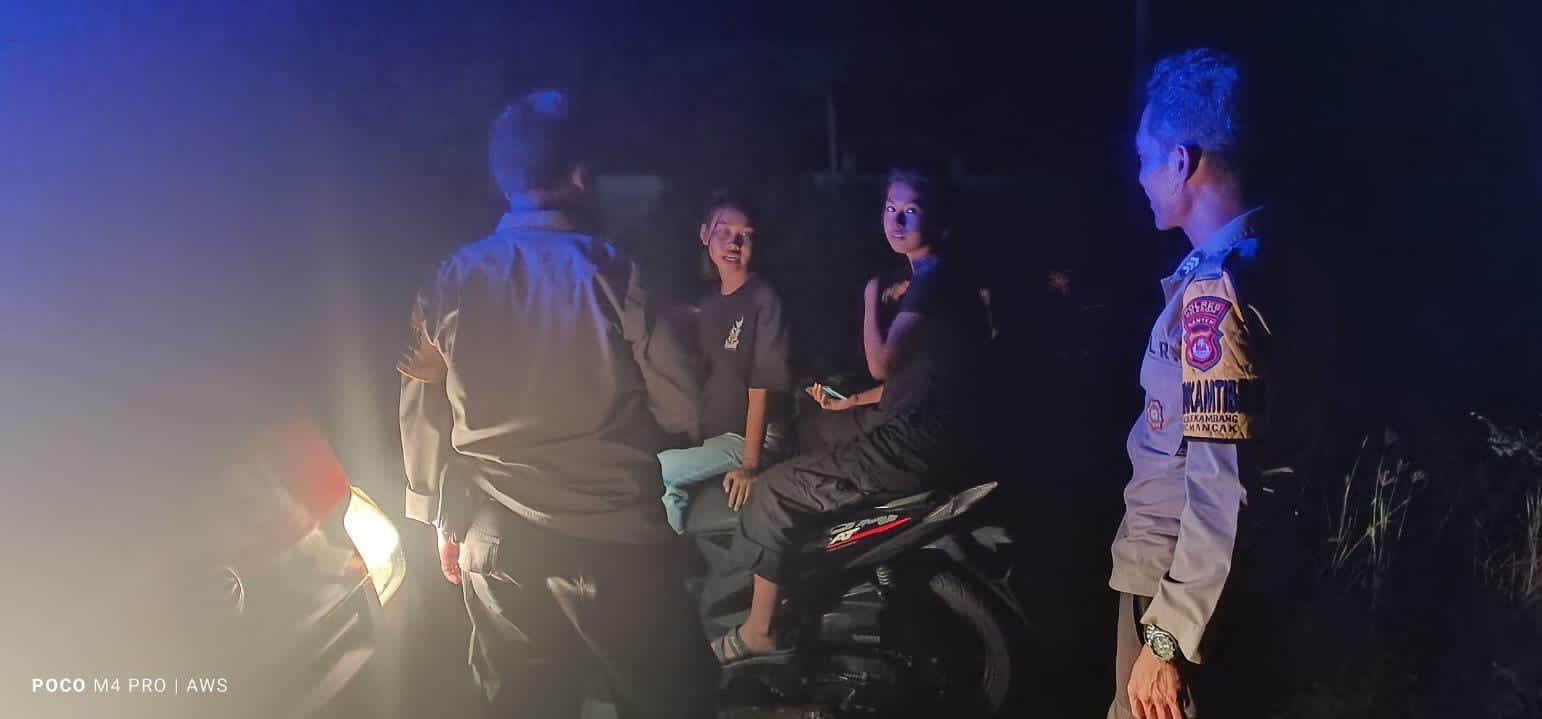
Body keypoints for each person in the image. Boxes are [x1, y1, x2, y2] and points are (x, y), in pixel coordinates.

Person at [397, 90, 716, 718]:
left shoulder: (449, 280)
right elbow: (685, 408)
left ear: (503, 179)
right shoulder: (619, 274)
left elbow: (420, 412)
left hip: (496, 542)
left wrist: (436, 518)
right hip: (618, 544)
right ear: (581, 173)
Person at [1108, 49, 1327, 719]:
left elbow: (1220, 482)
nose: (1140, 177)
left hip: (1180, 585)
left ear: (1181, 161)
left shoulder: (1218, 290)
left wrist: (1168, 636)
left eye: (1146, 158)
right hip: (1236, 583)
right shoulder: (1277, 261)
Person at [712, 167, 990, 662]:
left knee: (772, 490)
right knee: (806, 432)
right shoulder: (943, 278)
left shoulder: (929, 281)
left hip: (910, 442)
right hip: (918, 424)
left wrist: (869, 297)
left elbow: (882, 364)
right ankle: (798, 571)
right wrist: (849, 403)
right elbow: (922, 379)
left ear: (938, 219)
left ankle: (759, 630)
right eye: (890, 208)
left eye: (910, 210)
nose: (896, 220)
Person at [657, 191, 793, 532]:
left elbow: (762, 387)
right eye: (724, 232)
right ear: (705, 234)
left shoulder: (764, 299)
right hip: (720, 437)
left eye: (745, 235)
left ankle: (670, 560)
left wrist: (750, 463)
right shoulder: (710, 303)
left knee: (658, 472)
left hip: (751, 438)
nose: (734, 243)